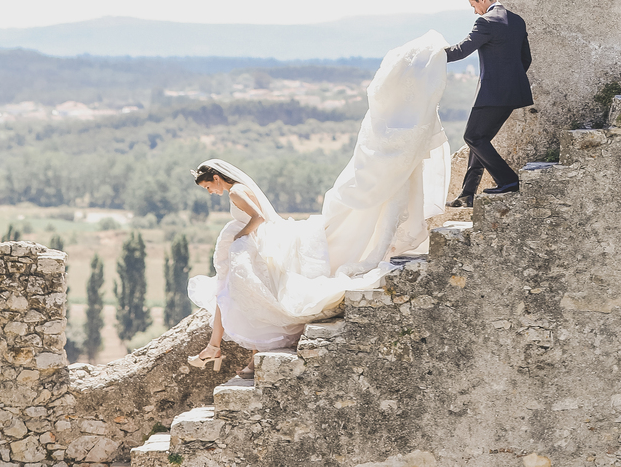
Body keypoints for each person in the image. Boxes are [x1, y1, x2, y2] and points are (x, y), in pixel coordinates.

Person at [186, 31, 450, 365]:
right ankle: (221, 349)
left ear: (216, 177)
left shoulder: (236, 191)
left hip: (246, 246)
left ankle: (227, 350)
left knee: (243, 297)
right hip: (244, 248)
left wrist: (238, 238)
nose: (209, 191)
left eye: (208, 186)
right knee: (234, 296)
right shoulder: (237, 188)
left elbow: (259, 219)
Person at [445, 0, 533, 207]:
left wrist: (431, 55)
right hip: (514, 93)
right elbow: (526, 59)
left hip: (493, 94)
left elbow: (462, 50)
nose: (475, 11)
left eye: (474, 5)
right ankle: (467, 193)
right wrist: (510, 81)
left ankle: (508, 180)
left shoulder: (486, 22)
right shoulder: (517, 20)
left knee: (472, 137)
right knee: (480, 139)